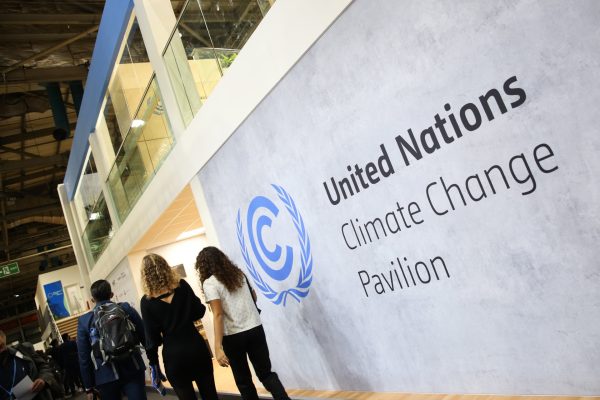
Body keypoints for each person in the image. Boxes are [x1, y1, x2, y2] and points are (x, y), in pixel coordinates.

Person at [195, 247, 290, 400]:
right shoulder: (239, 274)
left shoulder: (210, 283)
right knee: (266, 373)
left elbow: (218, 314)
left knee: (244, 381)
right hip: (255, 328)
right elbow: (254, 296)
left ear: (203, 266)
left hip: (233, 336)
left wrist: (217, 347)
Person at [140, 253, 218, 400]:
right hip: (196, 348)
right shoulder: (182, 285)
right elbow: (199, 311)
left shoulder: (146, 301)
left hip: (174, 356)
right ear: (165, 267)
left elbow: (152, 339)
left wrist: (154, 364)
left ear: (145, 276)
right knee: (210, 395)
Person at [76, 280, 147, 400]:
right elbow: (144, 335)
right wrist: (153, 362)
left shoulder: (85, 321)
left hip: (105, 376)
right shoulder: (125, 308)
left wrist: (88, 386)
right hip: (133, 367)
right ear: (111, 294)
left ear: (93, 300)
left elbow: (84, 357)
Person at [0, 329, 62, 400]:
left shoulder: (23, 350)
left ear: (5, 340)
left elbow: (44, 366)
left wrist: (43, 379)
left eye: (1, 346)